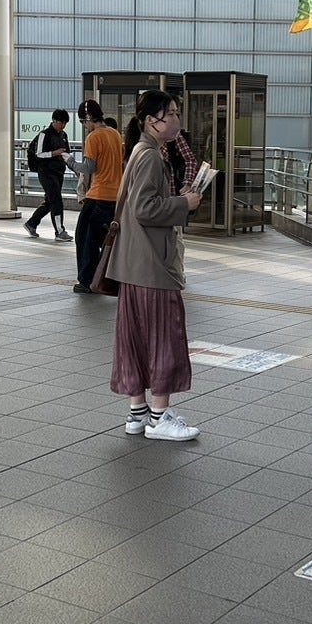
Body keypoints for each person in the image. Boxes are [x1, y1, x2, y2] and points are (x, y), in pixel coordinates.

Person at [104, 91, 203, 441]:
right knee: (164, 339)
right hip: (152, 265)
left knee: (135, 340)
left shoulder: (140, 151)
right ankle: (159, 418)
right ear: (151, 121)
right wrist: (184, 203)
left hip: (133, 265)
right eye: (170, 113)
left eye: (176, 112)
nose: (176, 119)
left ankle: (138, 413)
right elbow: (145, 209)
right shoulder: (150, 157)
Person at [73, 100, 122, 294]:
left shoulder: (94, 137)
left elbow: (89, 168)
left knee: (85, 239)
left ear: (88, 118)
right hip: (115, 197)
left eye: (82, 122)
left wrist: (70, 162)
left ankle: (87, 282)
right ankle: (105, 279)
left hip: (98, 196)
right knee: (104, 241)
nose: (84, 126)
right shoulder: (115, 134)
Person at [24, 109, 73, 240]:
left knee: (50, 201)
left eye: (65, 123)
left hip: (59, 171)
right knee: (56, 200)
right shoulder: (44, 134)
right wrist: (54, 153)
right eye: (61, 123)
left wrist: (74, 169)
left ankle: (31, 223)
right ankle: (59, 231)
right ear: (54, 121)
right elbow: (39, 154)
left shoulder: (63, 135)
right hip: (46, 172)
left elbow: (66, 153)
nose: (63, 126)